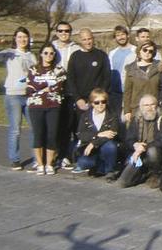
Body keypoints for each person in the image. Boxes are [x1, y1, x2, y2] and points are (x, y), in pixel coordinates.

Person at [0, 27, 37, 170]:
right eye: (20, 37)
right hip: (13, 95)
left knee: (35, 128)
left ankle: (37, 157)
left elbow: (34, 76)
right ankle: (14, 159)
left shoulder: (31, 56)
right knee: (15, 129)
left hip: (28, 96)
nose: (23, 40)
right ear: (15, 39)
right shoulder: (10, 53)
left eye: (25, 37)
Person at [64, 28, 111, 169]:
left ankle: (99, 155)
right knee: (81, 131)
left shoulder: (101, 55)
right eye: (84, 39)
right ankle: (78, 156)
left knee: (98, 129)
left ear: (93, 38)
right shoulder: (75, 56)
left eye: (89, 38)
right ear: (80, 41)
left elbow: (106, 78)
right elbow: (70, 79)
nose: (87, 41)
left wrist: (97, 100)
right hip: (80, 102)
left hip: (97, 101)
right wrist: (78, 99)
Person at [26, 43, 67, 175]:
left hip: (53, 106)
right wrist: (46, 87)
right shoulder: (33, 69)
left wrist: (42, 88)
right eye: (46, 53)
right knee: (38, 135)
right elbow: (30, 89)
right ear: (41, 54)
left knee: (52, 135)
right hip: (36, 106)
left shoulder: (59, 70)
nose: (48, 55)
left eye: (51, 53)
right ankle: (40, 164)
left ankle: (49, 164)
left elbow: (58, 86)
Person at [118, 94, 162, 188]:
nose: (149, 108)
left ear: (156, 106)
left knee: (152, 151)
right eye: (146, 105)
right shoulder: (135, 120)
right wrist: (135, 145)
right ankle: (143, 173)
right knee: (123, 182)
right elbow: (129, 139)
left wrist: (144, 147)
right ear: (141, 107)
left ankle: (155, 174)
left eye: (152, 104)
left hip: (156, 155)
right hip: (138, 153)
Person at [73, 88, 119, 178]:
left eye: (103, 101)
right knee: (83, 163)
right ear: (91, 103)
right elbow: (80, 134)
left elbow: (112, 134)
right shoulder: (85, 116)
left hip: (105, 146)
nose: (100, 105)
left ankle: (110, 170)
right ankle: (100, 167)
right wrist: (97, 135)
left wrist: (94, 143)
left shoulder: (112, 115)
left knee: (110, 146)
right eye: (97, 102)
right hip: (89, 149)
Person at [51, 21, 79, 169]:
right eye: (61, 31)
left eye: (67, 31)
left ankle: (66, 156)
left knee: (68, 126)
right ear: (56, 32)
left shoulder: (75, 48)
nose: (64, 33)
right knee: (55, 126)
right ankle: (54, 155)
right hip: (54, 91)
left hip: (70, 90)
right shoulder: (51, 47)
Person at [122, 41, 161, 125]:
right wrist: (127, 111)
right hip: (136, 108)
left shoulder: (159, 66)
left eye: (150, 51)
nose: (147, 53)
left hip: (154, 108)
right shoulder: (131, 69)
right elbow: (127, 92)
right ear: (139, 50)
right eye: (145, 50)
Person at [108, 25, 136, 120]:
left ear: (128, 35)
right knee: (117, 120)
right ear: (115, 38)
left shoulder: (135, 51)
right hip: (116, 93)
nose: (121, 37)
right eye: (118, 35)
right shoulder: (112, 53)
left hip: (131, 92)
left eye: (123, 34)